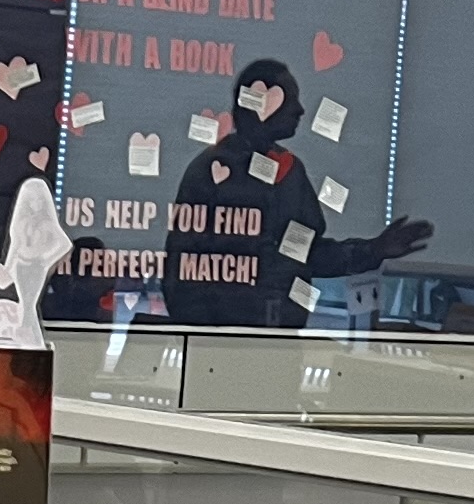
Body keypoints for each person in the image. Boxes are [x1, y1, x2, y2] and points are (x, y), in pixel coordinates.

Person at [158, 57, 433, 329]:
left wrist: (373, 250)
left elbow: (306, 254)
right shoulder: (210, 170)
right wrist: (203, 337)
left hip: (282, 345)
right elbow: (182, 265)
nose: (300, 110)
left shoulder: (290, 172)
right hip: (220, 351)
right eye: (290, 99)